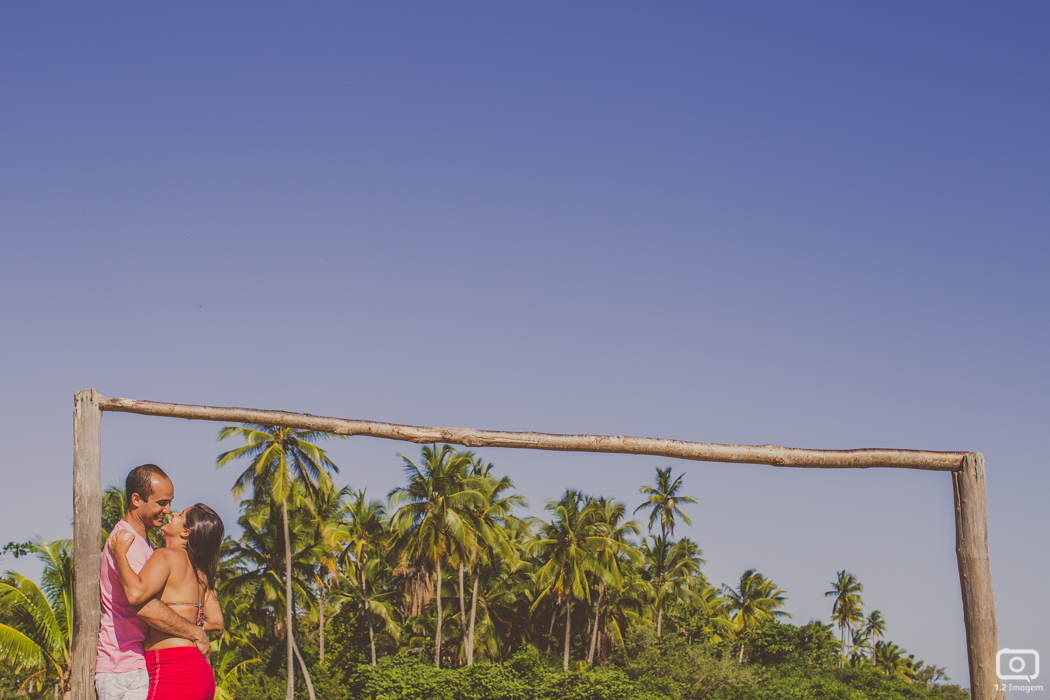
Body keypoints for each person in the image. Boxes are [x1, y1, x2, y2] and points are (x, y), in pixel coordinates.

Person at [96, 465, 212, 700]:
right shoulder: (126, 542)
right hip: (123, 665)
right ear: (136, 500)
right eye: (161, 503)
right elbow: (145, 604)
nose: (168, 510)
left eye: (170, 502)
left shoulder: (146, 545)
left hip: (137, 663)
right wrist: (195, 632)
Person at [110, 502, 225, 700]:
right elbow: (216, 621)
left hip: (174, 668)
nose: (173, 513)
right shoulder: (201, 574)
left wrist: (120, 554)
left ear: (186, 532)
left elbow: (136, 593)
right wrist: (190, 628)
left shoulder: (165, 555)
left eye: (180, 515)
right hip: (201, 672)